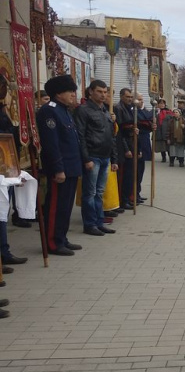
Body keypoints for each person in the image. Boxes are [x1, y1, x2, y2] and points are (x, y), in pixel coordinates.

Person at [36, 75, 83, 256]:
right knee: (56, 207)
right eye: (69, 91)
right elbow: (51, 144)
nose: (73, 94)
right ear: (58, 93)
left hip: (71, 167)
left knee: (65, 207)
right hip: (60, 169)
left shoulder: (65, 111)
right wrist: (58, 168)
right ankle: (52, 243)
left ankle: (61, 237)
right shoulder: (49, 111)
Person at [73, 79, 117, 236]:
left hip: (105, 157)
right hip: (92, 156)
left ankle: (99, 221)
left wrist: (114, 159)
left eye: (105, 92)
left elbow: (111, 137)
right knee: (90, 193)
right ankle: (90, 224)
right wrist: (86, 159)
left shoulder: (105, 111)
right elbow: (80, 136)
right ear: (91, 91)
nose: (103, 95)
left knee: (99, 193)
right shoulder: (83, 110)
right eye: (99, 91)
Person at [113, 88, 136, 208]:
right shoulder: (118, 108)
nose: (130, 99)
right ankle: (123, 199)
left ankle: (128, 197)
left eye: (131, 97)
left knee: (130, 174)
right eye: (127, 97)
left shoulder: (130, 108)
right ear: (121, 96)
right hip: (123, 144)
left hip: (131, 142)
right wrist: (126, 149)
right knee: (124, 174)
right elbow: (120, 131)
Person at [134, 93, 153, 203]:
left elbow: (148, 120)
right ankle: (133, 194)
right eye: (139, 99)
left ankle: (138, 192)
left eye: (142, 99)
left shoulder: (143, 110)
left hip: (144, 141)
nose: (141, 101)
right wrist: (149, 120)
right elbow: (144, 120)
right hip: (137, 141)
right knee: (136, 170)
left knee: (141, 169)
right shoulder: (134, 111)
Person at [153, 98, 168, 162]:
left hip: (166, 130)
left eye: (163, 103)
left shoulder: (168, 111)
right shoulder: (155, 111)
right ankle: (163, 157)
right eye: (160, 103)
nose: (162, 105)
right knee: (161, 145)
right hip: (159, 130)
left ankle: (171, 157)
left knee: (167, 144)